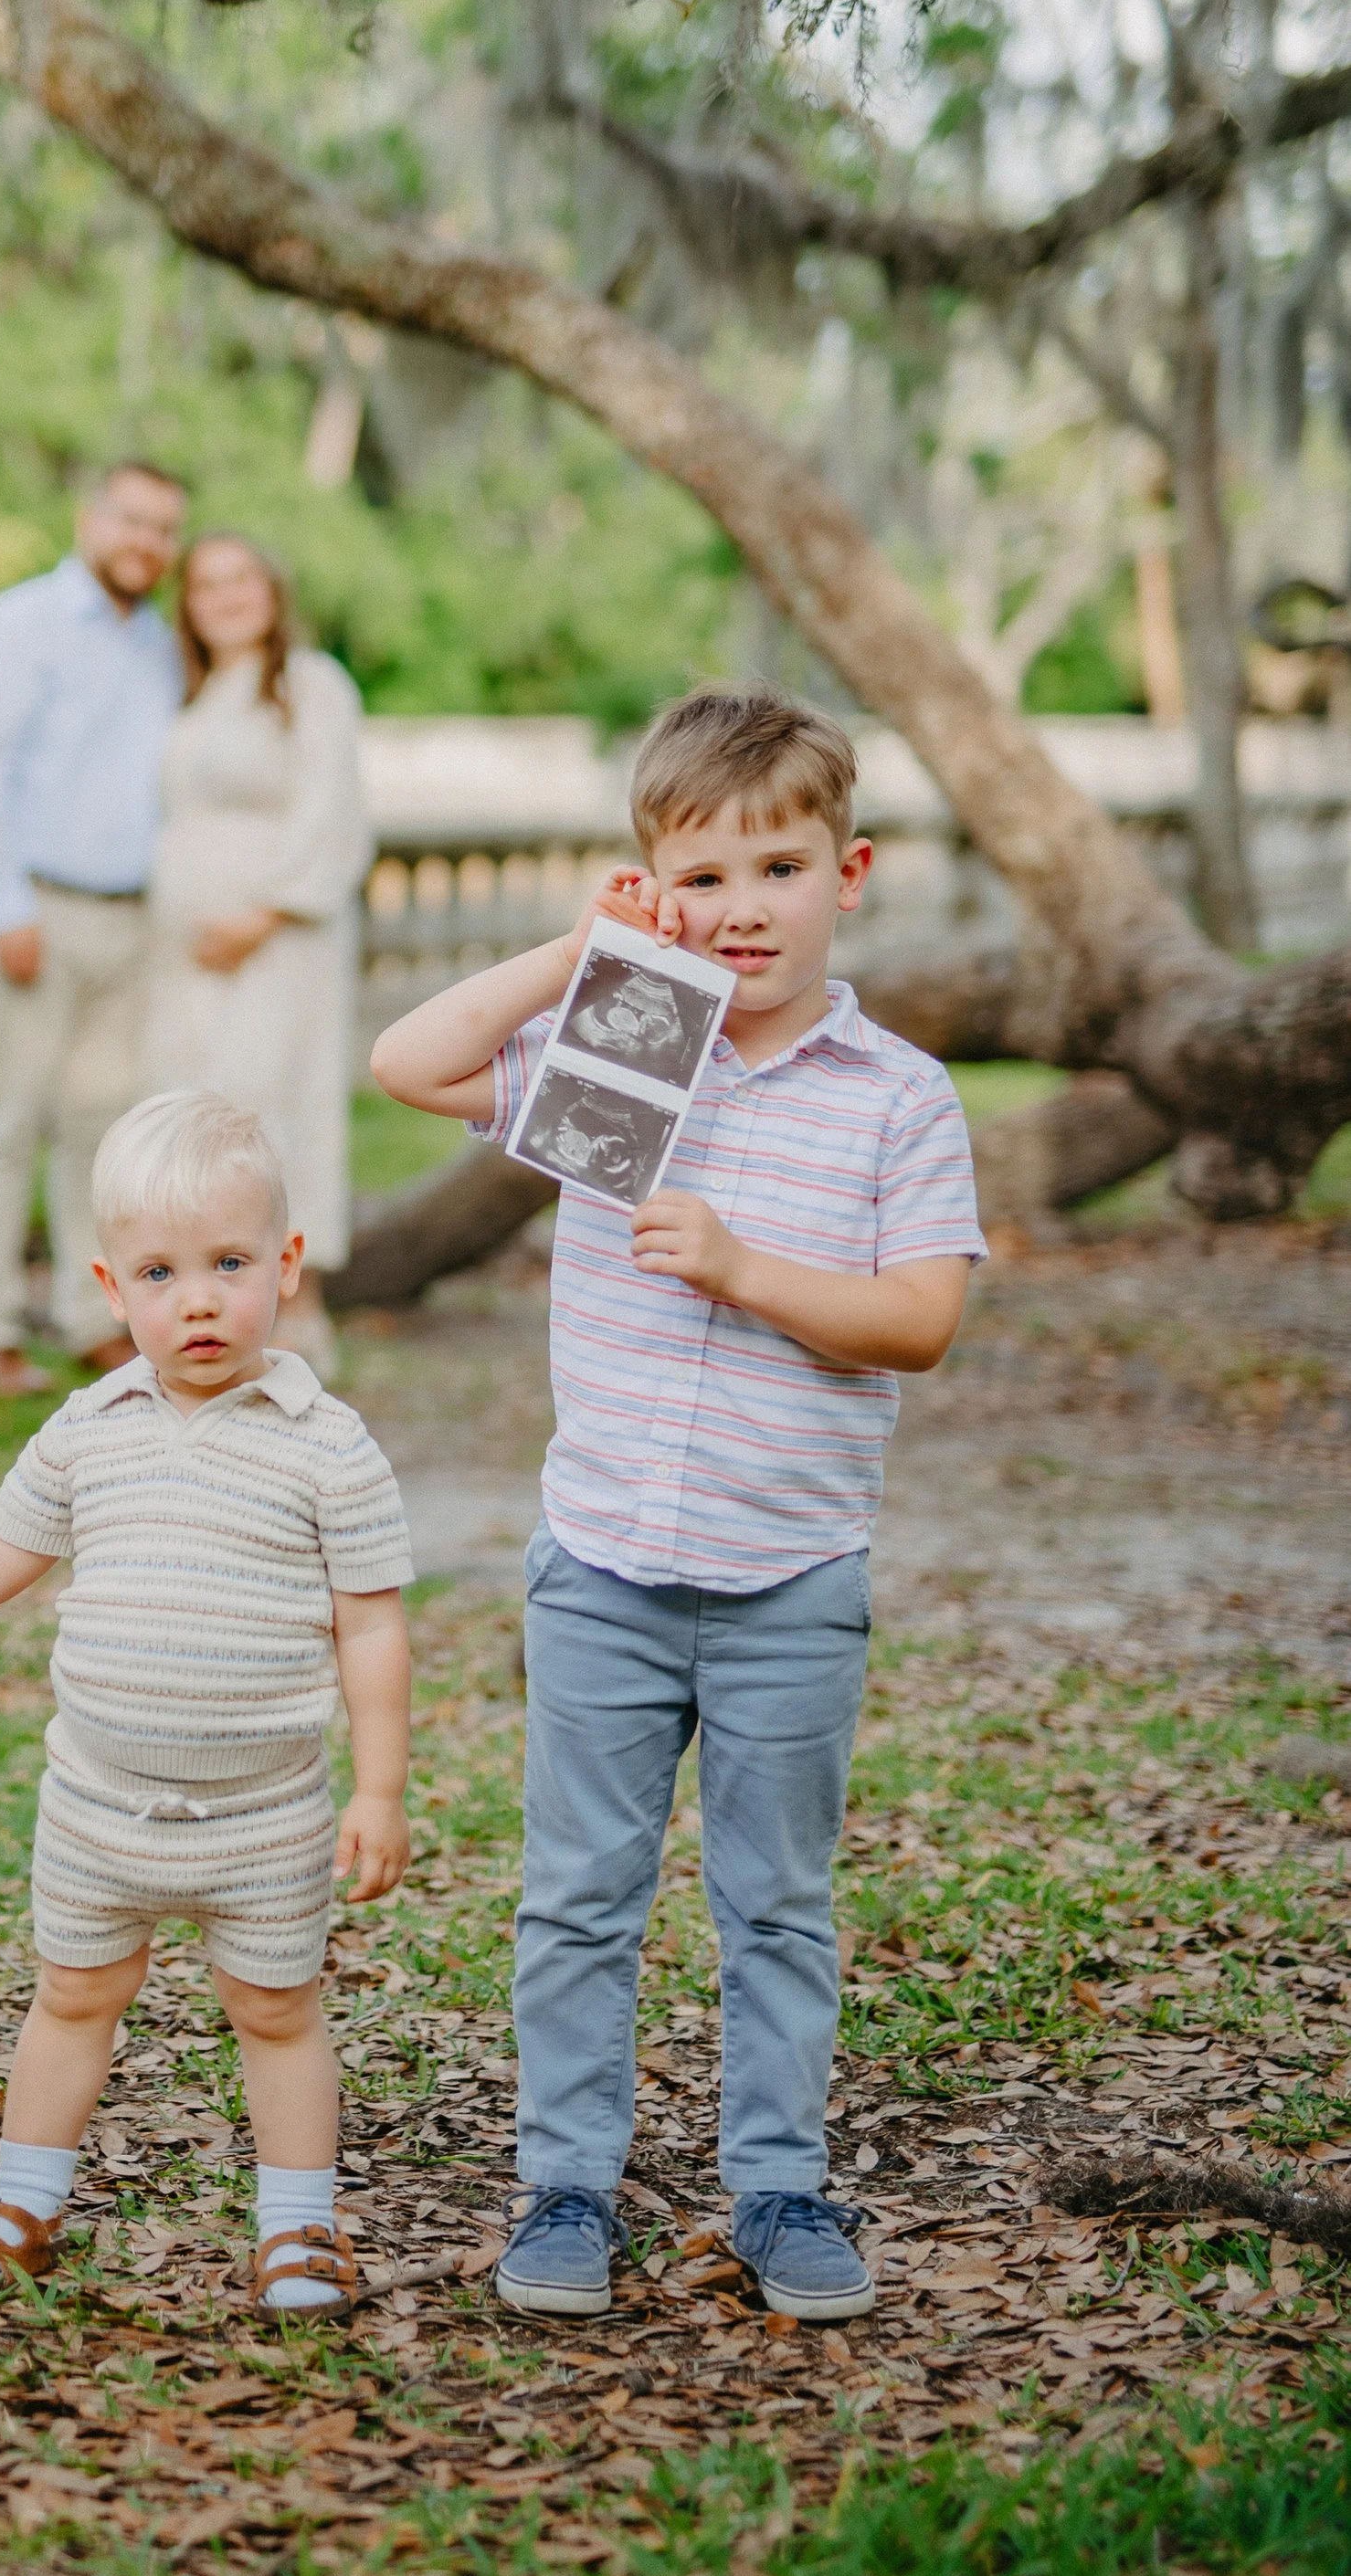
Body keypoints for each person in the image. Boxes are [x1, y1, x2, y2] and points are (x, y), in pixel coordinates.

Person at [371, 685, 985, 2329]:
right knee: (580, 1893)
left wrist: (744, 1266)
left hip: (790, 1573)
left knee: (775, 1900)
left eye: (777, 869)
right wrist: (585, 959)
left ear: (846, 873)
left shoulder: (895, 1094)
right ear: (655, 883)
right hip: (610, 1564)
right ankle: (566, 2182)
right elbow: (408, 1063)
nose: (742, 910)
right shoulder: (635, 1048)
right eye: (701, 878)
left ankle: (778, 2186)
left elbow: (920, 1317)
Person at [0, 1089, 414, 2317]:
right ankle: (27, 2195)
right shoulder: (90, 1427)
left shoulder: (327, 1444)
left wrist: (381, 1787)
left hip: (265, 1807)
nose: (197, 1298)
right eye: (161, 1271)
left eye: (230, 1263)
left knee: (277, 2009)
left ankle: (299, 2222)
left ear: (286, 1267)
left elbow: (375, 1624)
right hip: (99, 1802)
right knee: (73, 1992)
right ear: (109, 1286)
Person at [0, 461, 189, 1396]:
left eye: (163, 529)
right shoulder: (18, 627)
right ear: (89, 518)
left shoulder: (158, 646)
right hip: (34, 908)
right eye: (130, 520)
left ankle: (93, 1317)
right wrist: (4, 904)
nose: (145, 543)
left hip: (128, 921)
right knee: (6, 1120)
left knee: (99, 1127)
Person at [145, 535, 372, 1374]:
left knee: (276, 1106)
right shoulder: (197, 696)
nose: (225, 597)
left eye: (241, 579)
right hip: (185, 958)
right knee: (199, 1113)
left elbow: (331, 812)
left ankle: (296, 1303)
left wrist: (261, 913)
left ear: (273, 590)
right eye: (206, 585)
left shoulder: (311, 687)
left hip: (278, 940)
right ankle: (214, 1303)